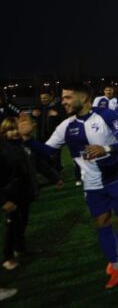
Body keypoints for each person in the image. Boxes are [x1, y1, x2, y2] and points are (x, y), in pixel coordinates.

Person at [25, 83, 118, 289]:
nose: (63, 101)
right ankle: (117, 266)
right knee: (102, 222)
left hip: (117, 177)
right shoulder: (66, 126)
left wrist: (106, 148)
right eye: (63, 98)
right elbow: (47, 151)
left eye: (67, 97)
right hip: (92, 184)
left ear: (83, 98)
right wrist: (27, 139)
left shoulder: (106, 116)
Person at [0, 116, 62, 270]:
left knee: (22, 222)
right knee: (12, 225)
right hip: (11, 196)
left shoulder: (24, 146)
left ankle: (20, 249)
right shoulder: (3, 151)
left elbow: (39, 164)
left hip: (25, 194)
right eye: (10, 130)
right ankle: (8, 257)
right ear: (3, 132)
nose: (15, 132)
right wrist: (3, 201)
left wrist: (54, 178)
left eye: (16, 129)